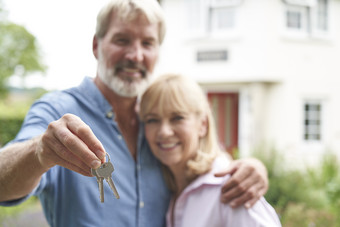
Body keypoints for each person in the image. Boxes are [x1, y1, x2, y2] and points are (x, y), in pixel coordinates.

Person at [0, 0, 268, 226]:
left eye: (148, 43)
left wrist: (252, 168)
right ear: (96, 46)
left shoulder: (158, 119)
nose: (135, 55)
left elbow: (206, 166)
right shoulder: (58, 112)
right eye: (122, 40)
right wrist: (38, 152)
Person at [139, 74, 281, 227]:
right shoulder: (167, 190)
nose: (164, 132)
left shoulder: (232, 188)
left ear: (203, 124)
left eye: (177, 118)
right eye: (152, 120)